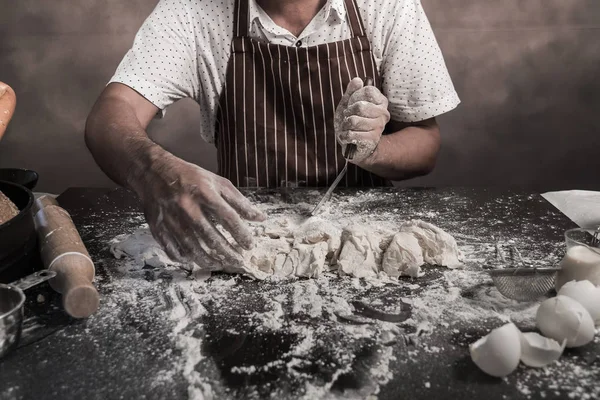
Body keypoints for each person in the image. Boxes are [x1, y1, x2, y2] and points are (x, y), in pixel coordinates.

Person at [85, 0, 460, 269]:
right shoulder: (192, 10)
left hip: (364, 251)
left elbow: (425, 145)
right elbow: (110, 115)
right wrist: (153, 171)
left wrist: (372, 151)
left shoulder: (387, 7)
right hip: (248, 249)